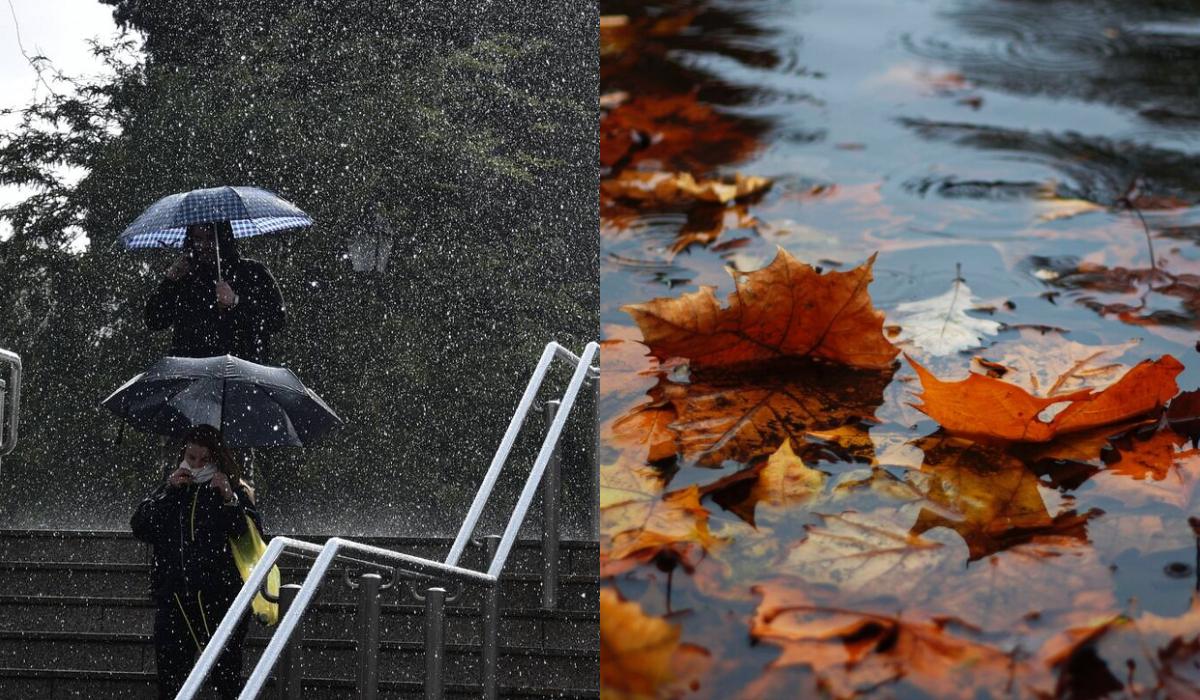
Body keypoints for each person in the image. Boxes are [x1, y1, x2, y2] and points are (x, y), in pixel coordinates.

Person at [130, 424, 261, 699]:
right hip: (174, 598)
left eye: (205, 459)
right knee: (172, 680)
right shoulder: (172, 487)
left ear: (217, 459)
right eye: (191, 457)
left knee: (227, 677)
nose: (197, 465)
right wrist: (169, 491)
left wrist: (229, 499)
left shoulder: (233, 489)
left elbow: (251, 536)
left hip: (221, 599)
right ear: (183, 455)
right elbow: (141, 526)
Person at [145, 221, 286, 365]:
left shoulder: (252, 272)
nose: (204, 245)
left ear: (224, 238)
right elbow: (154, 320)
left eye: (211, 238)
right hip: (191, 370)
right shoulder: (186, 277)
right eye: (198, 239)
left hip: (242, 369)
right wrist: (170, 281)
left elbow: (276, 319)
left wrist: (236, 301)